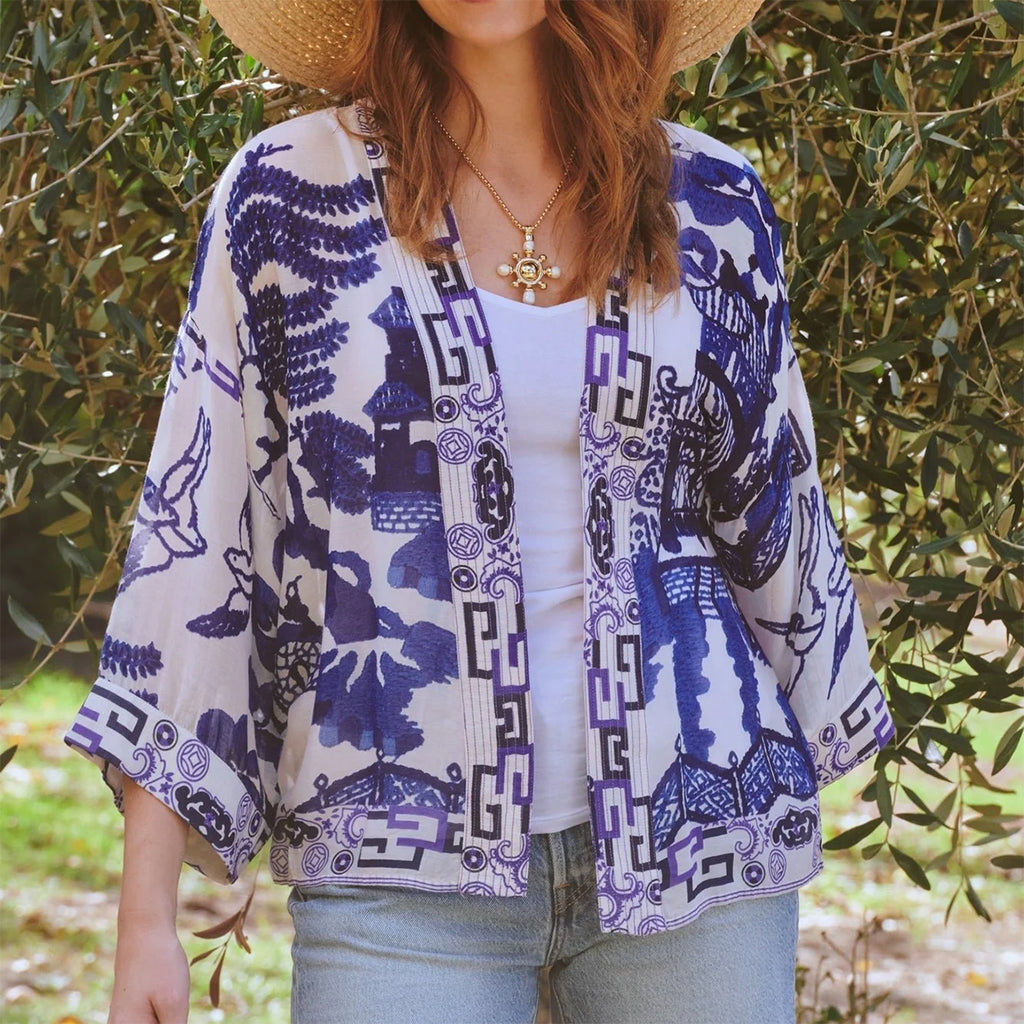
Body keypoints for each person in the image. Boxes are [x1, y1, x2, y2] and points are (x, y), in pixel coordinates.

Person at [65, 1, 895, 1022]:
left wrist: (824, 731)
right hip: (394, 868)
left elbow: (775, 518)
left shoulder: (713, 201)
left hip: (699, 846)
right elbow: (198, 538)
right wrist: (145, 915)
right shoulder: (285, 195)